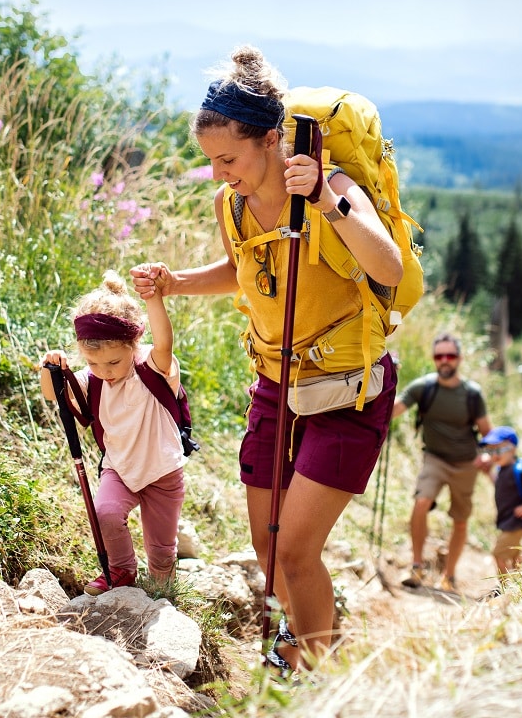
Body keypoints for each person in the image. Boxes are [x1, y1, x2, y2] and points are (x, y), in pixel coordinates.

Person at [131, 45, 401, 675]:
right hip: (276, 384)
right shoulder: (232, 203)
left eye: (228, 158)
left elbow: (386, 264)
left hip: (347, 391)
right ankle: (306, 642)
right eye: (212, 162)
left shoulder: (331, 187)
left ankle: (317, 675)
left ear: (273, 139)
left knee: (299, 550)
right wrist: (175, 283)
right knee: (269, 547)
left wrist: (330, 206)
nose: (220, 173)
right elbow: (243, 269)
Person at [43, 269, 185, 595]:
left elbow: (164, 342)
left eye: (114, 363)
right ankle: (121, 571)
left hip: (162, 471)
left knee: (162, 550)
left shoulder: (151, 367)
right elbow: (53, 394)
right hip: (119, 467)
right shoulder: (92, 381)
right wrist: (48, 367)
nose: (105, 372)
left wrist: (154, 298)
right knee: (105, 512)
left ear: (134, 346)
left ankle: (164, 588)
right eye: (94, 363)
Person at [390, 333, 492, 592]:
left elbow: (487, 433)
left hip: (466, 464)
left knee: (460, 520)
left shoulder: (472, 394)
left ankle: (449, 576)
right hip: (434, 458)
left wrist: (491, 457)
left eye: (450, 356)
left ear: (459, 358)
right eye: (439, 356)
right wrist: (387, 380)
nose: (445, 361)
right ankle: (417, 567)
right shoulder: (423, 387)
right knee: (421, 501)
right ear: (434, 359)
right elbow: (393, 410)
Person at [479, 425, 522, 593]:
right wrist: (489, 474)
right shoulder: (504, 470)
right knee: (515, 552)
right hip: (509, 520)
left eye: (499, 450)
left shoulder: (517, 468)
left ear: (512, 448)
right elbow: (501, 487)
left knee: (499, 553)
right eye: (490, 451)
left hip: (516, 521)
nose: (494, 455)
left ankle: (505, 588)